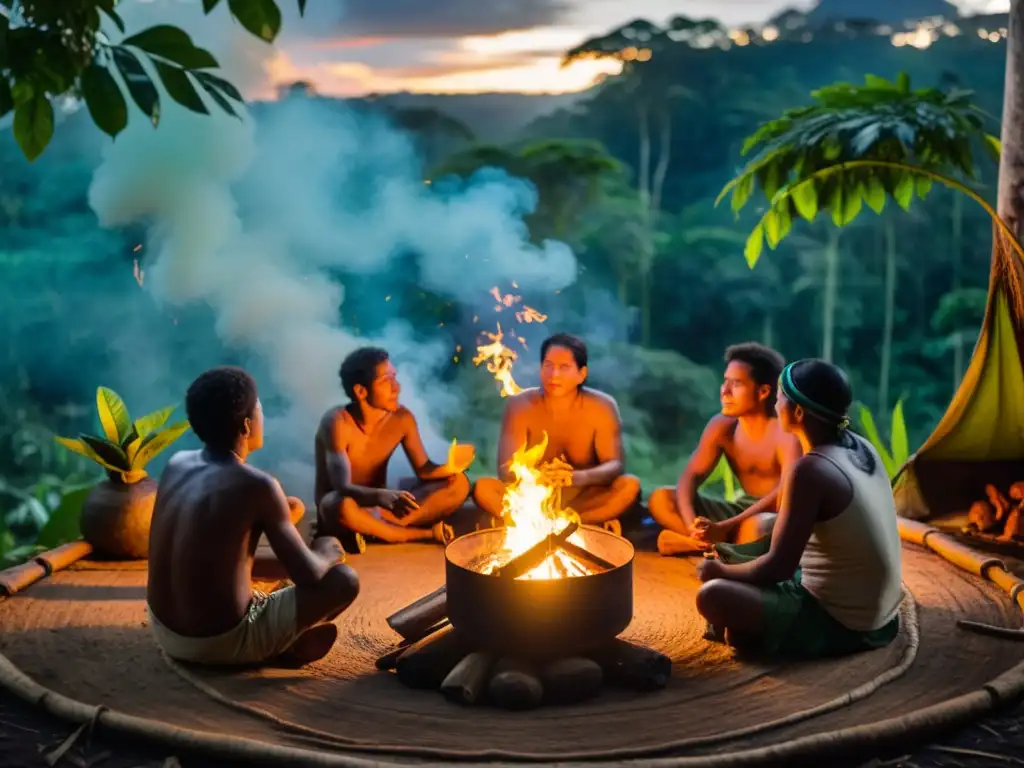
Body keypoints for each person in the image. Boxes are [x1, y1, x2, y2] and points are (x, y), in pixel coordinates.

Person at [147, 366, 359, 668]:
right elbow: (309, 575)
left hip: (164, 631)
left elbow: (211, 560)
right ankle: (277, 646)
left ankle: (279, 639)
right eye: (259, 408)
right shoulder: (258, 484)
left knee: (271, 575)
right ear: (246, 426)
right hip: (219, 640)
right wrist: (327, 550)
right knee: (343, 580)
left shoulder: (176, 463)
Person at [695, 359, 903, 658]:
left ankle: (772, 635)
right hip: (880, 613)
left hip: (843, 621)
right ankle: (751, 629)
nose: (775, 404)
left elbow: (778, 567)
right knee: (758, 532)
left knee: (713, 594)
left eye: (779, 397)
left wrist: (720, 571)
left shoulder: (810, 470)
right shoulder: (860, 445)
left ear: (798, 412)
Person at [472, 333, 641, 533]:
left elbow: (614, 465)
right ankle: (576, 526)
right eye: (548, 365)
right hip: (532, 499)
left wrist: (577, 477)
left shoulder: (602, 407)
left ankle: (567, 525)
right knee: (483, 487)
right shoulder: (519, 406)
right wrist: (537, 477)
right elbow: (505, 470)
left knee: (630, 486)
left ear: (582, 373)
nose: (554, 374)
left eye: (564, 367)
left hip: (584, 500)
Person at [648, 343, 801, 556]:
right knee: (661, 498)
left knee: (754, 529)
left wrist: (725, 526)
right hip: (738, 510)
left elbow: (783, 497)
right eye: (725, 381)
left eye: (736, 384)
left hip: (772, 515)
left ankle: (707, 546)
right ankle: (705, 545)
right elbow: (689, 479)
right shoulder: (723, 427)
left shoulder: (785, 433)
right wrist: (691, 525)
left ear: (764, 391)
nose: (725, 391)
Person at [315, 346, 473, 548]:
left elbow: (423, 470)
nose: (396, 387)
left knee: (458, 483)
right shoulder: (337, 422)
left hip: (382, 509)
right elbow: (341, 486)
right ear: (361, 391)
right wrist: (382, 496)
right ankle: (417, 534)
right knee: (339, 505)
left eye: (395, 378)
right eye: (386, 380)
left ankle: (375, 528)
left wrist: (451, 466)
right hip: (347, 504)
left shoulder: (402, 418)